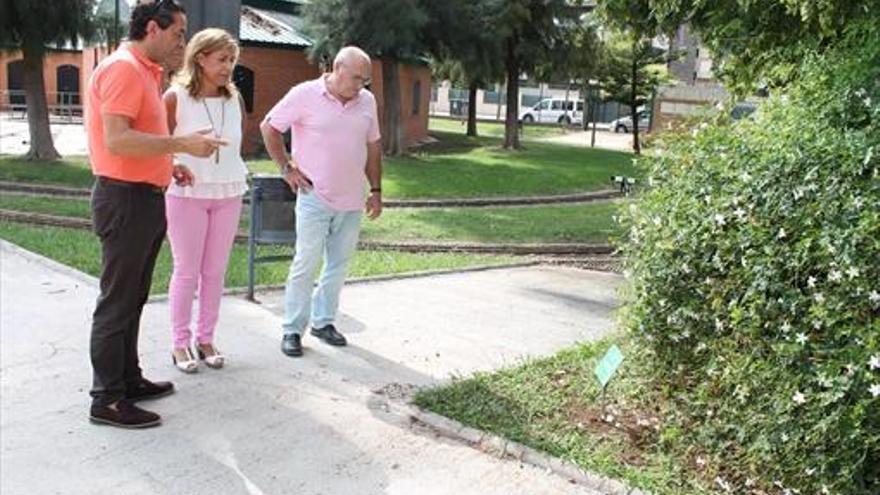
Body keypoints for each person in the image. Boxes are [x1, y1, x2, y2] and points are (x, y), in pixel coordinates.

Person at [86, 0, 226, 429]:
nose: (182, 43)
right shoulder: (124, 69)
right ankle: (106, 400)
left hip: (144, 196)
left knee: (133, 298)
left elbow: (138, 139)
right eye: (179, 33)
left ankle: (127, 380)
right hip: (125, 200)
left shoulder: (142, 71)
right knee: (116, 303)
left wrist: (168, 165)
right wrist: (181, 145)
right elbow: (119, 140)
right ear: (152, 28)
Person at [260, 46, 383, 358]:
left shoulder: (367, 101)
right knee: (306, 263)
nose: (360, 85)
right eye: (356, 78)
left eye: (365, 80)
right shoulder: (304, 94)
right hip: (315, 196)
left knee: (338, 266)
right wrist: (287, 168)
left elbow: (374, 146)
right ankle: (291, 329)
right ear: (337, 68)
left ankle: (323, 322)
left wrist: (377, 190)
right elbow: (269, 127)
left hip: (352, 199)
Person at [164, 28, 248, 373]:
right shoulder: (175, 97)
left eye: (231, 60)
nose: (228, 66)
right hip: (187, 193)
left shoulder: (233, 98)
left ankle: (206, 338)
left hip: (229, 192)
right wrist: (175, 162)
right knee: (187, 271)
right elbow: (159, 143)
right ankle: (179, 343)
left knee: (214, 272)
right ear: (200, 58)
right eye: (222, 60)